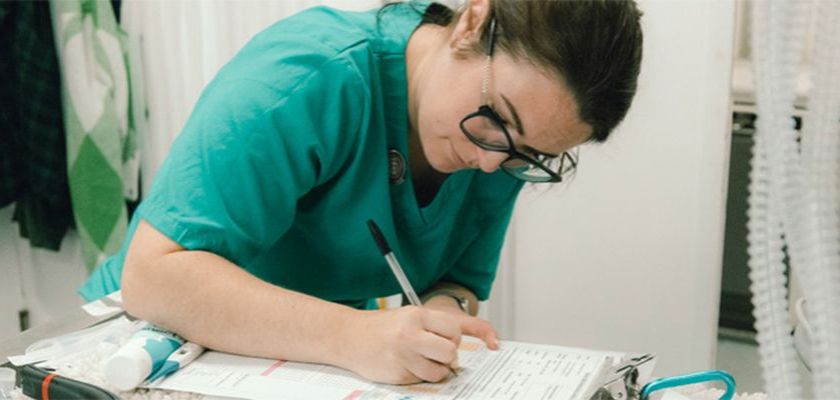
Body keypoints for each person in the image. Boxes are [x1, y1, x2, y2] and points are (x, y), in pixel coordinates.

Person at [79, 0, 643, 385]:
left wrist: (443, 319)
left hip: (294, 367)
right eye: (496, 120)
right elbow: (155, 278)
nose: (490, 162)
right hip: (139, 348)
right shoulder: (312, 73)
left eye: (531, 154)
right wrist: (353, 336)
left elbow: (455, 284)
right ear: (473, 23)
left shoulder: (497, 151)